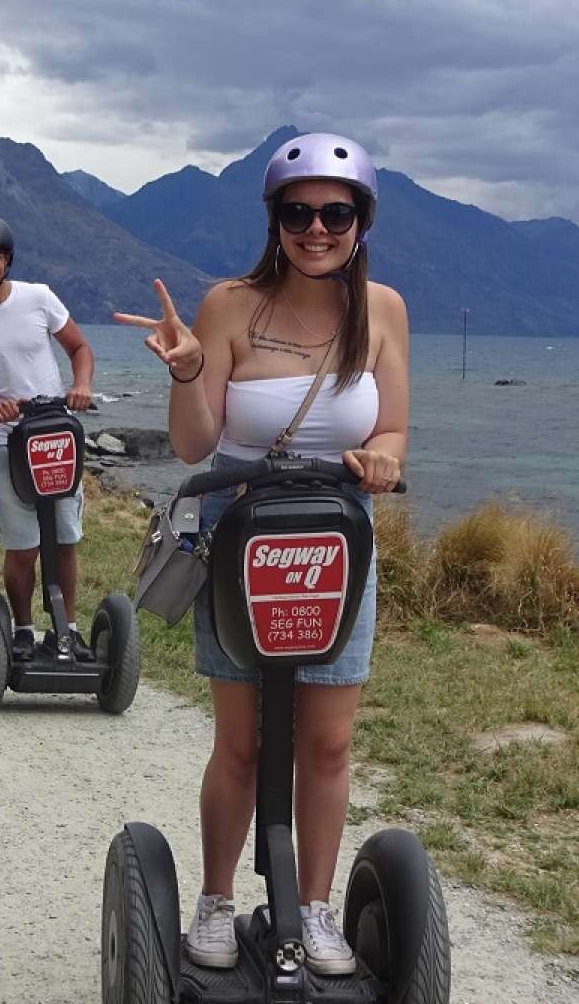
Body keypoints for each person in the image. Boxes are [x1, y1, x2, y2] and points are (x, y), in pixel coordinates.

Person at [114, 133, 409, 976]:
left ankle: (313, 909)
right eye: (298, 212)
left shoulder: (382, 311)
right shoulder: (229, 305)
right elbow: (195, 443)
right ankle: (214, 900)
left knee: (327, 744)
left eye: (336, 212)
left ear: (362, 221)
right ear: (275, 218)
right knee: (240, 742)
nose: (317, 228)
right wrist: (187, 371)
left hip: (337, 546)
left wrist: (384, 457)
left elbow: (392, 425)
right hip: (242, 539)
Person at [0, 215, 96, 661]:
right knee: (23, 546)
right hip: (3, 442)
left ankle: (67, 631)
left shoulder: (39, 298)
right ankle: (25, 631)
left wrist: (81, 385)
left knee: (64, 539)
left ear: (7, 260)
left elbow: (80, 349)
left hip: (53, 435)